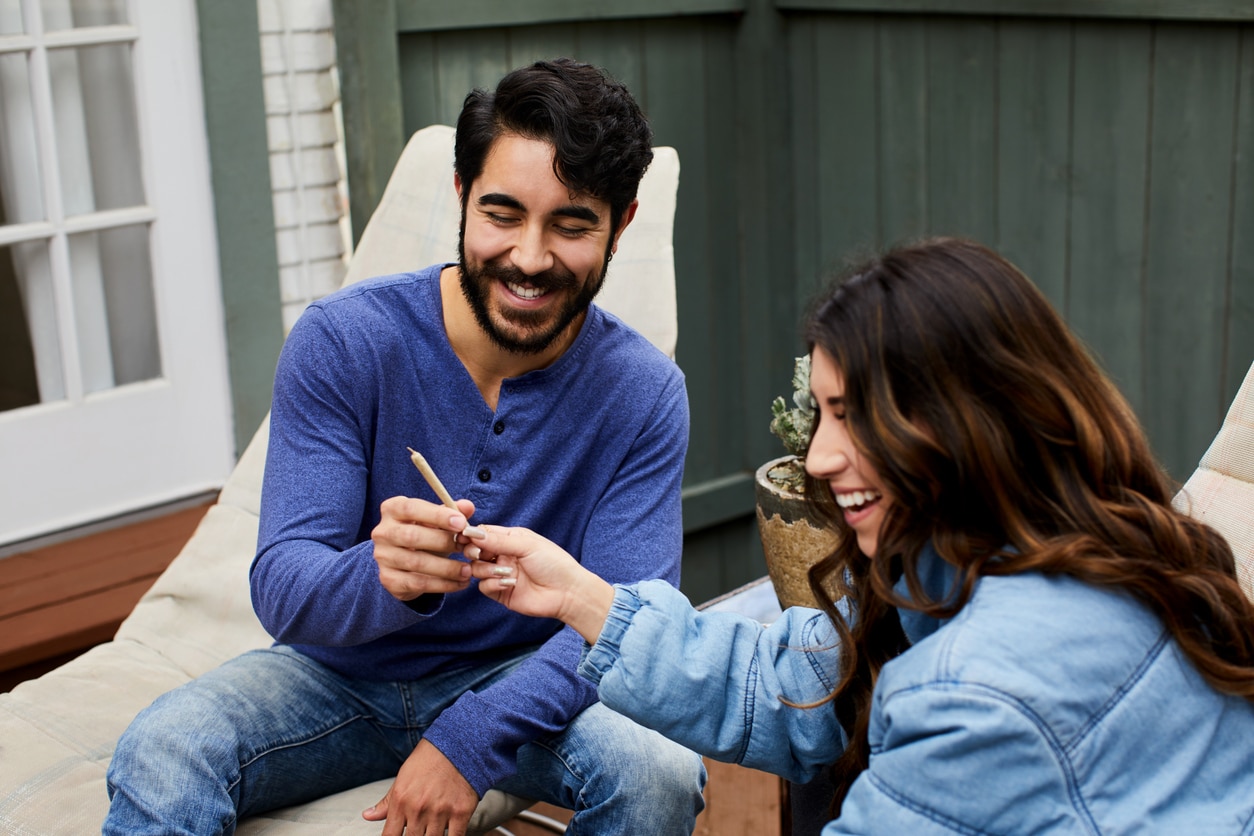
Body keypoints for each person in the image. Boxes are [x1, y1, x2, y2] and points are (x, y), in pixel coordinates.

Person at [461, 237, 1254, 834]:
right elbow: (804, 679)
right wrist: (583, 597)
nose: (818, 457)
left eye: (854, 416)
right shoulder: (1092, 552)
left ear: (969, 420)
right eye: (823, 413)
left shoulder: (976, 691)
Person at [104, 58, 705, 836]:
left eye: (571, 223)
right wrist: (384, 574)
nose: (529, 256)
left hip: (523, 679)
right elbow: (283, 587)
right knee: (164, 748)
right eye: (502, 213)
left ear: (620, 226)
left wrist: (466, 740)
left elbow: (622, 626)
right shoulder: (346, 341)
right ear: (461, 198)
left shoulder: (644, 393)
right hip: (339, 679)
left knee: (658, 770)